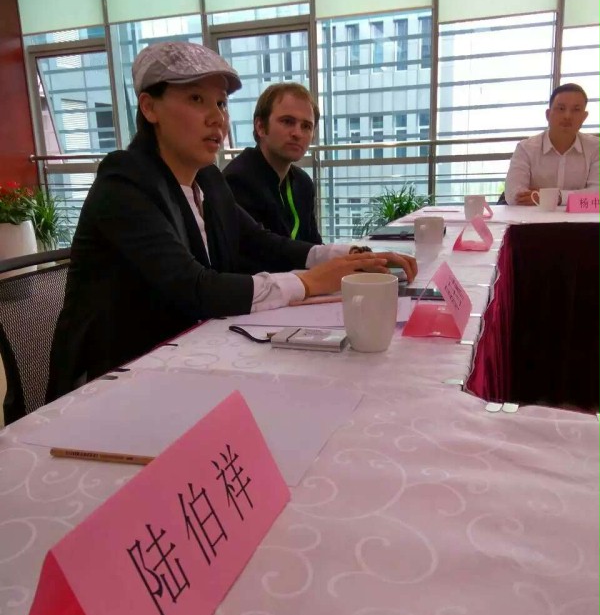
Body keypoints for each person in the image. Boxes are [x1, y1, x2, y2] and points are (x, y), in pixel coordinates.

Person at [46, 42, 417, 401]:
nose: (217, 118)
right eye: (196, 99)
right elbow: (194, 288)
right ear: (149, 107)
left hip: (191, 357)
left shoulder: (208, 180)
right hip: (116, 381)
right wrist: (309, 281)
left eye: (221, 103)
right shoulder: (124, 182)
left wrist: (348, 257)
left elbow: (261, 241)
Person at [223, 83, 322, 250]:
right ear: (260, 127)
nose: (297, 133)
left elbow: (314, 244)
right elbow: (259, 252)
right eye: (287, 121)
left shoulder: (303, 182)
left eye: (306, 126)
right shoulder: (237, 180)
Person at [505, 83, 600, 205]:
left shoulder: (596, 148)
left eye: (576, 110)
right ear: (548, 115)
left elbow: (597, 195)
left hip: (579, 218)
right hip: (534, 217)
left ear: (584, 117)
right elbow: (513, 195)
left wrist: (556, 197)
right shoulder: (526, 148)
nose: (567, 116)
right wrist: (576, 197)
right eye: (561, 109)